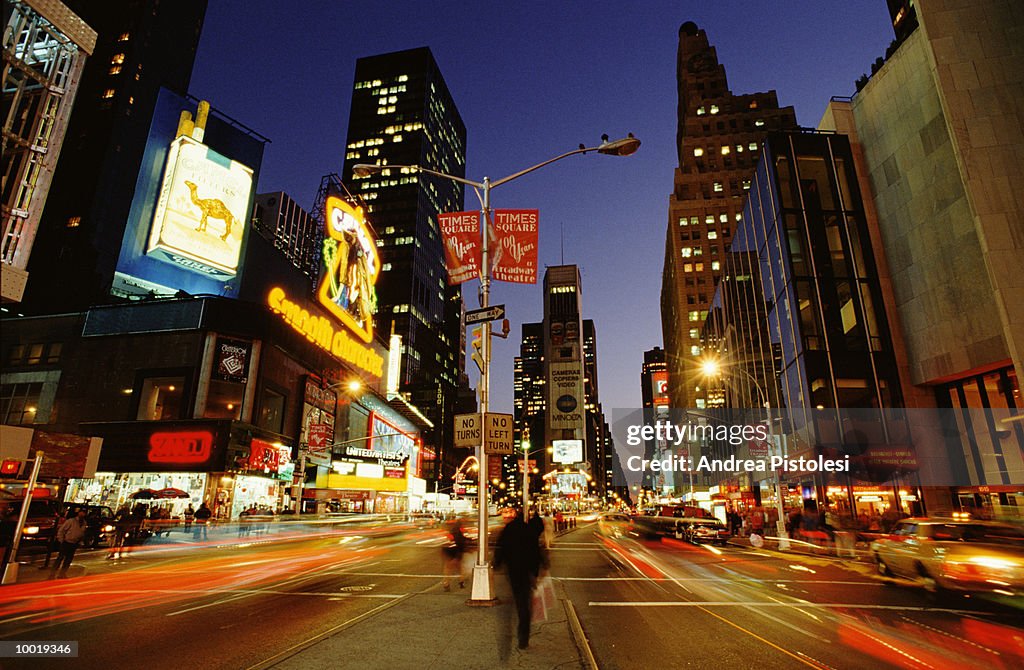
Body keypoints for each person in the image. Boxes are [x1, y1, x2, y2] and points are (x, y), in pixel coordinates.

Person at [493, 509, 543, 650]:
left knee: (518, 598)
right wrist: (536, 571)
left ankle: (516, 630)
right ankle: (523, 637)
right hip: (526, 571)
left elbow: (501, 546)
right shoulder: (530, 530)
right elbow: (536, 551)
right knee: (524, 604)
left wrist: (497, 562)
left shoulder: (510, 528)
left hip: (513, 570)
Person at [51, 507, 88, 579]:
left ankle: (62, 574)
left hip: (74, 543)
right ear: (78, 513)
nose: (82, 514)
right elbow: (61, 530)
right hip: (66, 542)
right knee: (60, 558)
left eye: (84, 513)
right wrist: (61, 540)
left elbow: (82, 533)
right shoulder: (71, 521)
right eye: (81, 512)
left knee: (68, 560)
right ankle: (52, 574)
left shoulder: (84, 523)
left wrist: (80, 541)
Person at [440, 518, 467, 591]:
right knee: (459, 568)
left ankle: (446, 583)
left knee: (448, 568)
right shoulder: (459, 532)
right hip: (455, 551)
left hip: (448, 551)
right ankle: (461, 582)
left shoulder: (451, 532)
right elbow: (460, 543)